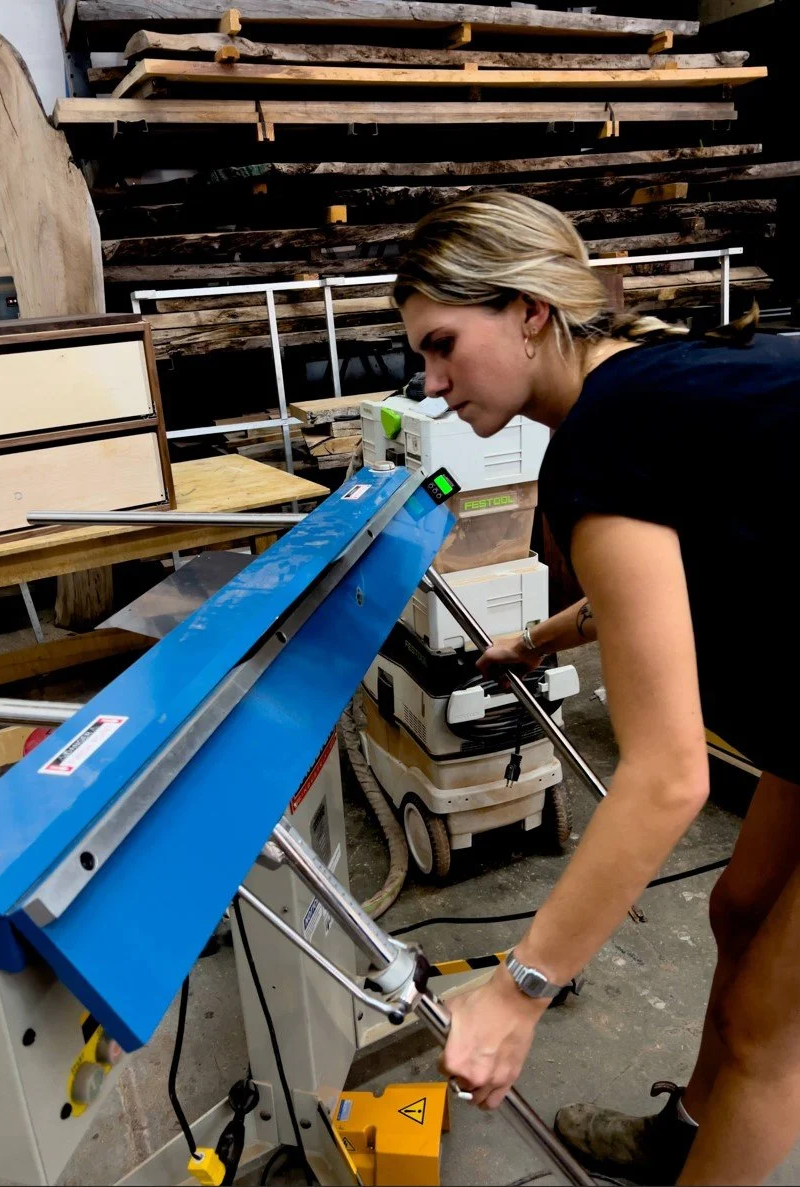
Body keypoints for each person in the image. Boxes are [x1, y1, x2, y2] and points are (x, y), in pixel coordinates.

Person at [393, 191, 800, 1187]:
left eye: (445, 345)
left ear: (530, 309)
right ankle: (686, 1137)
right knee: (740, 906)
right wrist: (545, 633)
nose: (433, 384)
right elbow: (710, 546)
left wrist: (519, 989)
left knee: (770, 1030)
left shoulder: (603, 438)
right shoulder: (651, 385)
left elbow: (668, 778)